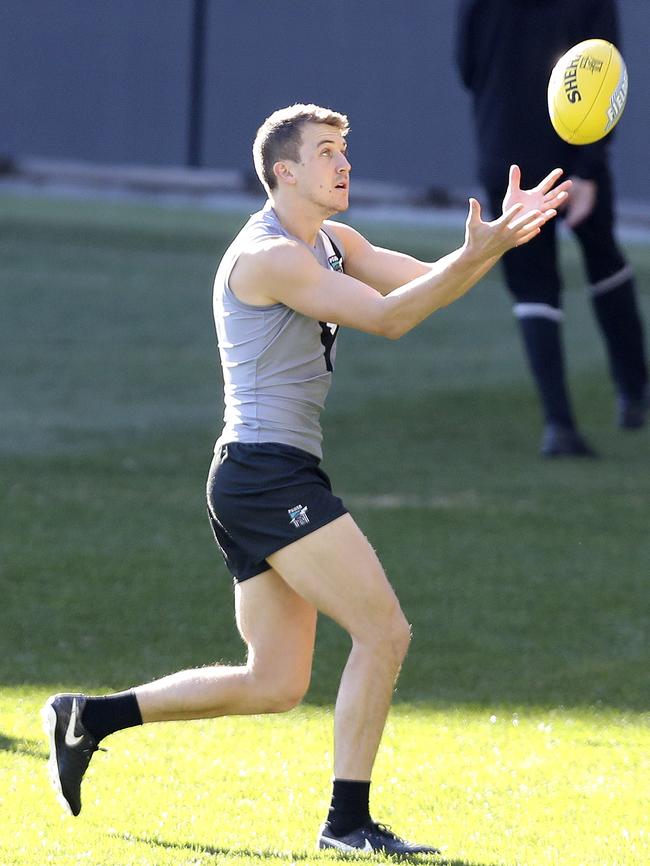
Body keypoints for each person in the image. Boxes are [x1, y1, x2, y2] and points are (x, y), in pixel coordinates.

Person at [42, 103, 569, 856]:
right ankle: (347, 825)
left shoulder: (328, 241)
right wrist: (478, 253)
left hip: (261, 474)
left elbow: (425, 286)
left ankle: (87, 719)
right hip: (264, 476)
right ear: (284, 171)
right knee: (383, 632)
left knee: (276, 683)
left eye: (346, 149)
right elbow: (389, 319)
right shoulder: (271, 257)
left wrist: (496, 242)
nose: (344, 163)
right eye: (327, 152)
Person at [456, 0, 649, 457]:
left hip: (505, 145)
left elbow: (465, 64)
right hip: (574, 145)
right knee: (602, 255)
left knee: (533, 283)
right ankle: (634, 393)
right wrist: (588, 168)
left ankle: (560, 425)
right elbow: (608, 71)